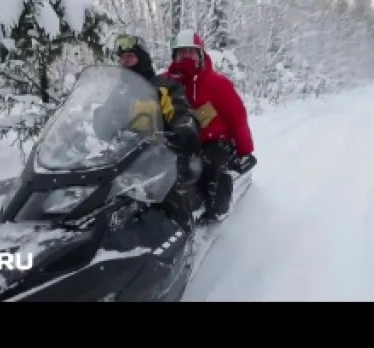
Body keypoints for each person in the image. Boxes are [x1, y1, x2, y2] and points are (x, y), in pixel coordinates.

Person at [93, 34, 201, 231]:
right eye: (122, 58)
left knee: (171, 193)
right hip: (125, 154)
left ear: (141, 58)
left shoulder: (163, 87)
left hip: (164, 151)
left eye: (130, 57)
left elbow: (180, 111)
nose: (126, 62)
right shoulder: (120, 92)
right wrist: (99, 119)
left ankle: (184, 231)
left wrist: (183, 126)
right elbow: (108, 121)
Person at [163, 29, 256, 225]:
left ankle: (216, 207)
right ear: (174, 56)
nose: (186, 56)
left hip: (213, 141)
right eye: (182, 52)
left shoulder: (217, 84)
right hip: (176, 139)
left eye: (191, 51)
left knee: (210, 167)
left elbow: (237, 117)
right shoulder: (165, 82)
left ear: (201, 55)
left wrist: (245, 150)